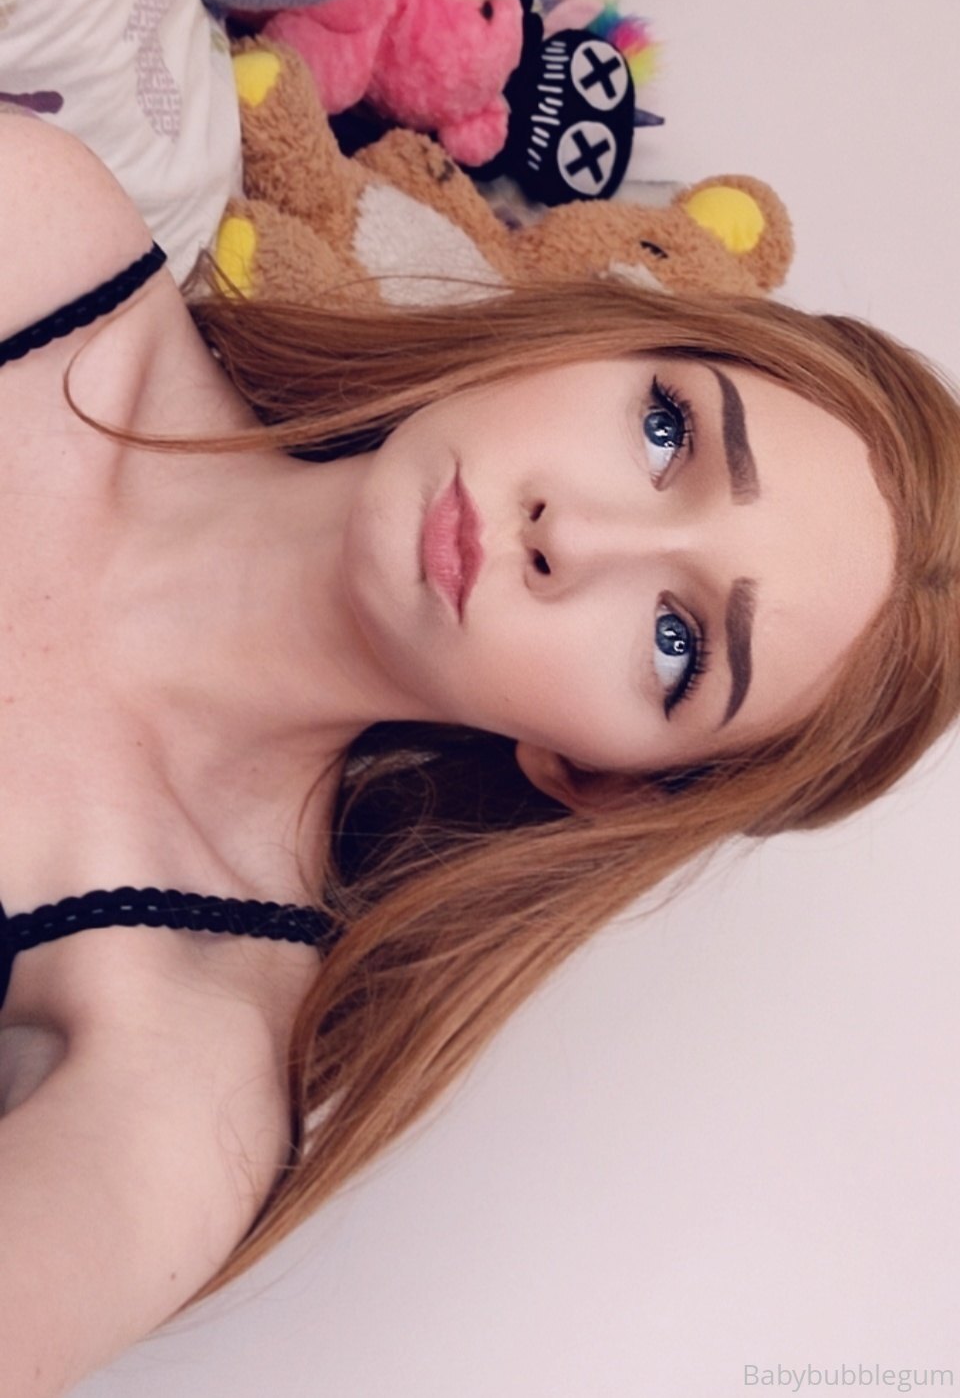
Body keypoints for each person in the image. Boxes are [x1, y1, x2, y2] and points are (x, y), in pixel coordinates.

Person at [2, 113, 959, 1361]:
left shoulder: (184, 1062)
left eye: (679, 643)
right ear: (594, 339)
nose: (577, 536)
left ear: (602, 778)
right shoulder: (42, 242)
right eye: (667, 431)